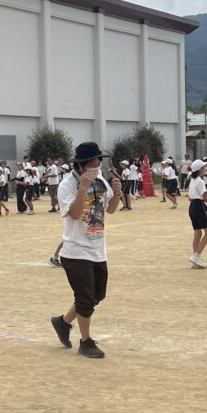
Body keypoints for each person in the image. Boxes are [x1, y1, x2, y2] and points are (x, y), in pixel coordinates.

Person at [50, 142, 122, 359]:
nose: (97, 165)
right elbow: (73, 214)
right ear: (81, 165)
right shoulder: (67, 185)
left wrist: (117, 193)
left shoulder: (100, 181)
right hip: (75, 251)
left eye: (99, 160)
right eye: (93, 162)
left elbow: (110, 209)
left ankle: (62, 322)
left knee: (96, 295)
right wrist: (82, 187)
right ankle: (86, 341)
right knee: (84, 298)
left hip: (97, 248)